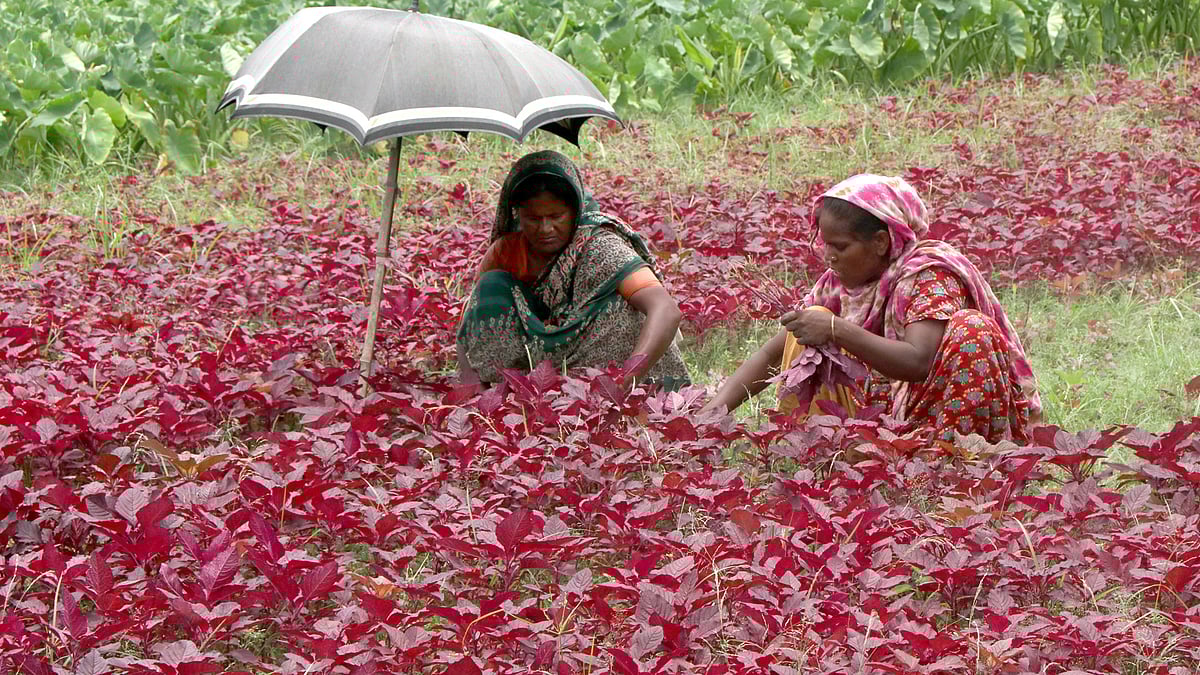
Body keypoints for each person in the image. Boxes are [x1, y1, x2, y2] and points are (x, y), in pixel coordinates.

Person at [705, 174, 1040, 443]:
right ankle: (827, 448)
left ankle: (958, 463)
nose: (828, 256)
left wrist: (837, 330)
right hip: (885, 423)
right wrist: (707, 417)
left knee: (972, 330)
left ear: (880, 242)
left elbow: (917, 361)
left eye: (840, 247)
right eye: (825, 245)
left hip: (941, 417)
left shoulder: (928, 274)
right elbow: (772, 354)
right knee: (816, 322)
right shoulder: (839, 282)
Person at [456, 150, 690, 390]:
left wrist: (622, 382)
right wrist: (474, 396)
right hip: (533, 371)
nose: (545, 228)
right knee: (490, 287)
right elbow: (472, 322)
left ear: (575, 210)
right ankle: (517, 391)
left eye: (556, 216)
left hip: (601, 368)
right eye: (533, 219)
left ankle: (635, 393)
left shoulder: (598, 244)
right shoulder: (506, 252)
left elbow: (665, 310)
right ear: (518, 214)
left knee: (623, 309)